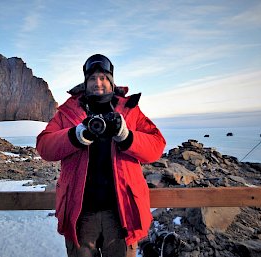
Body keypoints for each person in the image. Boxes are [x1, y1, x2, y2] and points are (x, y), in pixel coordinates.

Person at [36, 54, 166, 257]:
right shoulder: (68, 113)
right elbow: (44, 147)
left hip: (121, 215)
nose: (98, 83)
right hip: (80, 216)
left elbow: (156, 146)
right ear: (85, 82)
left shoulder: (130, 111)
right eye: (92, 78)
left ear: (112, 81)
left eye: (104, 77)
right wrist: (75, 135)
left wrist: (127, 136)